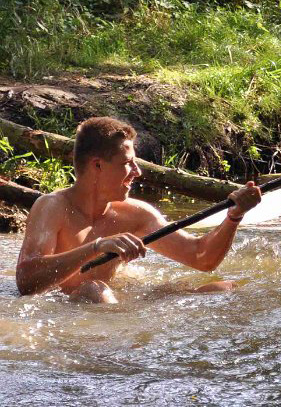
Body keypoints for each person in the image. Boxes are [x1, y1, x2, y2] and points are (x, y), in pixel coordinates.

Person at [15, 117, 262, 302]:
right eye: (128, 164)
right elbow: (26, 282)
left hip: (117, 307)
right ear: (97, 165)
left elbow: (201, 257)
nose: (137, 172)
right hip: (67, 312)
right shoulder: (52, 206)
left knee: (225, 287)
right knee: (94, 289)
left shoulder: (135, 214)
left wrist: (234, 216)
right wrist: (96, 247)